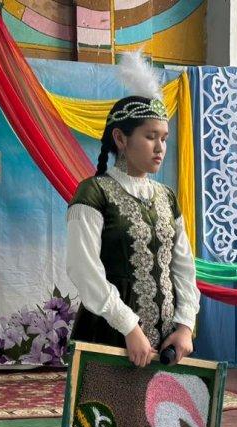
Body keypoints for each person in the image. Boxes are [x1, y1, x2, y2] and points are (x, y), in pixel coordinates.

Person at [65, 55, 199, 367]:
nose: (160, 147)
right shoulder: (94, 192)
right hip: (109, 335)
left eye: (164, 138)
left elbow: (183, 267)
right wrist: (129, 327)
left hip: (167, 342)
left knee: (160, 402)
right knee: (106, 401)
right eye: (150, 137)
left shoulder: (166, 197)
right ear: (120, 138)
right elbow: (83, 269)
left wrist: (185, 326)